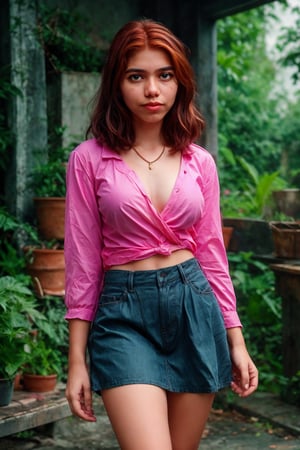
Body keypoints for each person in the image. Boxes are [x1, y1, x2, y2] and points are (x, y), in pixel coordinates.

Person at [64, 19, 258, 450]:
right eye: (137, 76)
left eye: (164, 75)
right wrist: (77, 360)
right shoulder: (88, 160)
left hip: (193, 306)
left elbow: (211, 255)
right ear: (118, 83)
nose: (152, 89)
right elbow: (81, 261)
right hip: (123, 316)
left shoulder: (200, 162)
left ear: (179, 83)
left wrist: (237, 341)